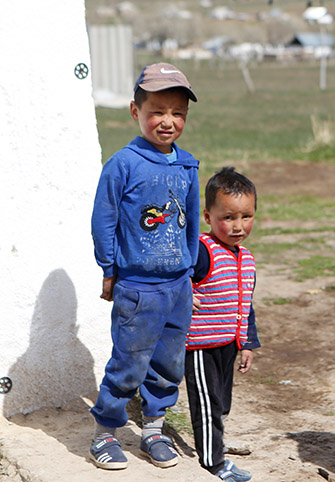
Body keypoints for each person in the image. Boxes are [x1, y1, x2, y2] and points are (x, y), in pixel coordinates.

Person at [89, 62, 200, 470]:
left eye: (178, 113)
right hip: (137, 286)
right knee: (129, 362)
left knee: (168, 364)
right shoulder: (123, 164)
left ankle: (153, 430)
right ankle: (104, 434)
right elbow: (105, 219)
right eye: (157, 110)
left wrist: (189, 274)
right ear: (135, 112)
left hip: (177, 286)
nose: (167, 121)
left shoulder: (187, 165)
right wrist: (109, 269)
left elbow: (191, 221)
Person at [185, 167, 259, 482]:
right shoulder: (203, 250)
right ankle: (213, 462)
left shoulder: (247, 259)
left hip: (229, 343)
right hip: (200, 345)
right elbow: (178, 272)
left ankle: (216, 445)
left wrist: (248, 344)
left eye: (246, 216)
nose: (238, 226)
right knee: (207, 402)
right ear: (208, 216)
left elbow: (246, 304)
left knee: (222, 401)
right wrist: (184, 293)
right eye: (228, 217)